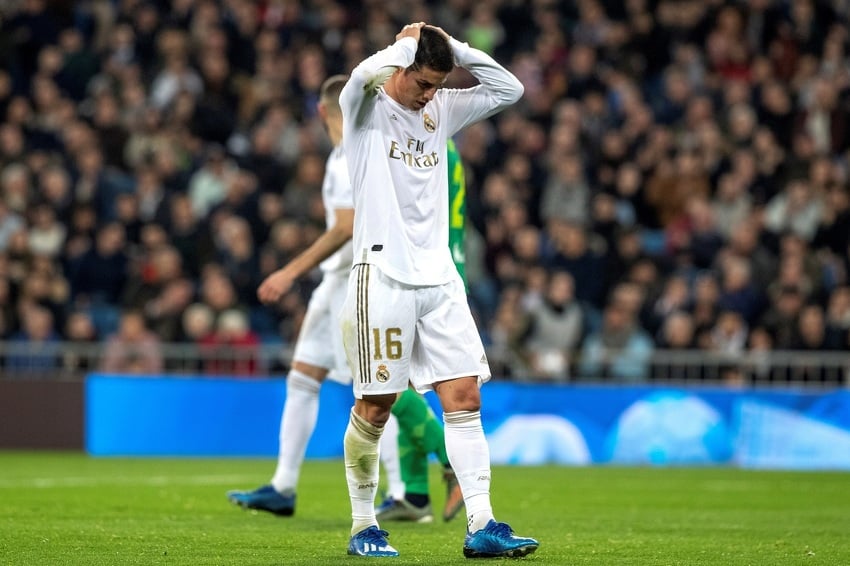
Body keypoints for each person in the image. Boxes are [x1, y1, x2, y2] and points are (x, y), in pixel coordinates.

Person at [338, 22, 537, 558]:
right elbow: (360, 76)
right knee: (377, 405)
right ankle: (363, 526)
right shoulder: (366, 110)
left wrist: (457, 49)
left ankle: (483, 524)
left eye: (436, 84)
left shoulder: (440, 109)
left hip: (440, 278)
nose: (430, 94)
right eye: (423, 82)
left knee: (465, 399)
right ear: (400, 67)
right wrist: (406, 44)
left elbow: (509, 90)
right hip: (382, 275)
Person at [376, 139, 467, 524]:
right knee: (404, 385)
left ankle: (451, 459)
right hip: (442, 268)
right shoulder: (443, 145)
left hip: (421, 275)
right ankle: (414, 493)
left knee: (382, 383)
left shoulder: (416, 142)